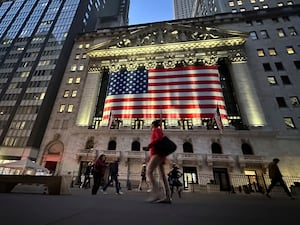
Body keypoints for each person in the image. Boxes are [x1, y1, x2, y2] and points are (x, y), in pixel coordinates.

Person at [145, 120, 172, 203]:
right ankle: (167, 196)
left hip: (157, 154)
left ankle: (157, 194)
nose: (150, 126)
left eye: (151, 125)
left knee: (149, 171)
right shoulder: (158, 130)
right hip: (158, 155)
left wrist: (149, 146)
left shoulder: (156, 130)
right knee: (162, 176)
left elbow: (158, 139)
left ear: (153, 125)